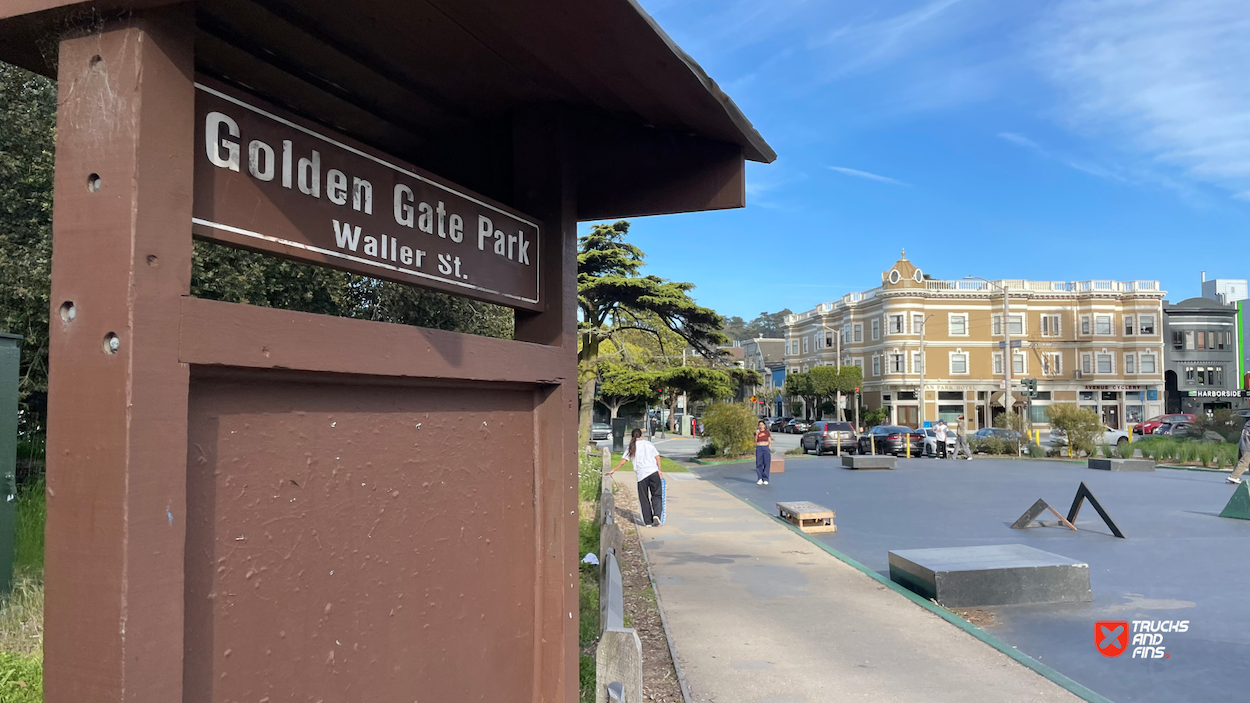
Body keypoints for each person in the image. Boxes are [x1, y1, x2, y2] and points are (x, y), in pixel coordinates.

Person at [608, 428, 666, 526]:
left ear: (632, 436)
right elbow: (657, 457)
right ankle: (657, 515)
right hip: (653, 472)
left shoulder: (631, 447)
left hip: (641, 475)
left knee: (644, 498)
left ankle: (648, 521)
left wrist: (613, 470)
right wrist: (659, 470)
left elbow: (623, 461)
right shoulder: (648, 444)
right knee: (657, 495)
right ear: (641, 435)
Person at [1228, 419, 1250, 484]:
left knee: (1243, 461)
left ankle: (1235, 476)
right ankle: (1234, 476)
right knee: (1244, 462)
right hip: (1248, 447)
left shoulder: (1248, 424)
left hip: (1242, 445)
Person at [754, 420, 773, 485]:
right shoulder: (757, 432)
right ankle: (760, 478)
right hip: (759, 448)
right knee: (759, 463)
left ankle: (766, 478)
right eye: (760, 425)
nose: (761, 426)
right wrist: (756, 434)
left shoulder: (767, 432)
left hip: (765, 447)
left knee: (766, 463)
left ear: (764, 425)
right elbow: (755, 441)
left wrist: (769, 446)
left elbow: (769, 440)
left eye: (762, 425)